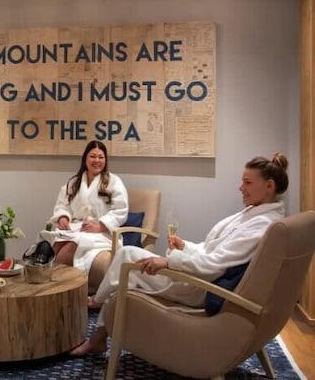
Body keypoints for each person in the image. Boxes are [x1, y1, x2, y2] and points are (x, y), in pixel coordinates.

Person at [71, 152, 289, 357]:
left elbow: (214, 264)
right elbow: (213, 251)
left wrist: (167, 261)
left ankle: (98, 315)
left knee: (126, 269)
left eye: (248, 182)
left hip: (200, 285)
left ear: (269, 186)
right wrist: (186, 247)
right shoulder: (255, 214)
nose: (240, 187)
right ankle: (99, 323)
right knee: (127, 263)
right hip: (200, 274)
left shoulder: (261, 226)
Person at [40, 140, 129, 274]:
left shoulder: (113, 182)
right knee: (55, 245)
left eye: (101, 157)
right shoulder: (74, 183)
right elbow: (62, 205)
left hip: (102, 232)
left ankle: (62, 286)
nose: (97, 160)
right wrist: (63, 218)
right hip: (77, 228)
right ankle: (54, 285)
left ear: (105, 160)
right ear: (85, 159)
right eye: (93, 156)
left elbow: (120, 211)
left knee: (69, 248)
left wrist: (100, 225)